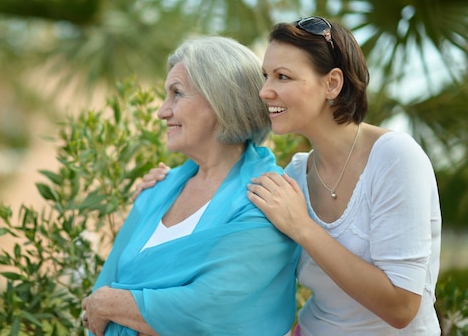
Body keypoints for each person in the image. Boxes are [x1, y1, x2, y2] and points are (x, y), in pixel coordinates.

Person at [136, 17, 442, 335]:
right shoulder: (293, 174)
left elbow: (402, 307)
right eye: (265, 76)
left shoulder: (395, 158)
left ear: (332, 84)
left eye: (283, 77)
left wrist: (303, 228)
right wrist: (172, 189)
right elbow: (225, 236)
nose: (265, 91)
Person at [81, 36, 300, 336]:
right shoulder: (158, 189)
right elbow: (97, 297)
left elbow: (213, 309)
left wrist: (111, 303)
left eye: (177, 94)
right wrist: (106, 303)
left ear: (220, 100)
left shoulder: (267, 199)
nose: (162, 111)